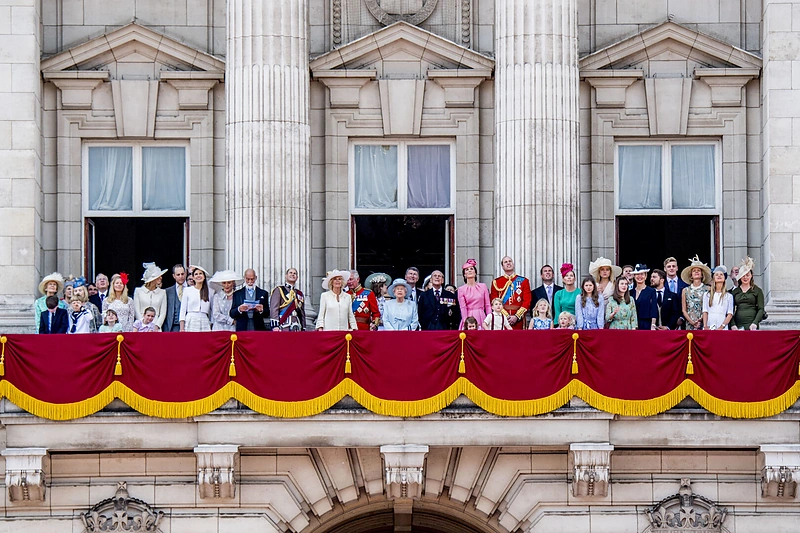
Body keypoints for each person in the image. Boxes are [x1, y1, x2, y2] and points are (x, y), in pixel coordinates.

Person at [490, 256, 532, 330]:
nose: (508, 263)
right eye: (505, 262)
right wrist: (506, 316)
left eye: (510, 261)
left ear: (513, 264)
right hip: (501, 319)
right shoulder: (496, 282)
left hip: (519, 320)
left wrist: (517, 316)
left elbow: (527, 301)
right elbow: (493, 301)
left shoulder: (524, 281)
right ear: (502, 266)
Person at [731, 257, 765, 330]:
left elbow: (761, 309)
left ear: (751, 276)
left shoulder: (757, 290)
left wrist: (755, 323)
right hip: (737, 325)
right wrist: (733, 324)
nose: (745, 278)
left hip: (752, 324)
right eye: (743, 275)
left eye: (747, 275)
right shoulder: (734, 292)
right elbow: (730, 310)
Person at [133, 262, 168, 331]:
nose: (161, 278)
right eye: (158, 277)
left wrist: (157, 326)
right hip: (141, 326)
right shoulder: (138, 291)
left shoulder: (162, 292)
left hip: (156, 326)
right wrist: (142, 324)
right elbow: (137, 310)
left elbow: (163, 312)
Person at [458, 259, 491, 329]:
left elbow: (488, 305)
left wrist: (490, 319)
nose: (469, 270)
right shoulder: (461, 289)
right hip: (468, 316)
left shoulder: (483, 286)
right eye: (467, 269)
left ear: (475, 273)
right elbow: (463, 308)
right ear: (464, 275)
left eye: (471, 269)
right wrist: (465, 322)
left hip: (481, 317)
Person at [270, 267, 306, 331]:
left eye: (294, 273)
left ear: (297, 277)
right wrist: (275, 325)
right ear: (286, 276)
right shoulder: (279, 290)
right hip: (284, 323)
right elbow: (274, 308)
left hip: (297, 324)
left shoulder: (299, 293)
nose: (292, 274)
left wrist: (303, 327)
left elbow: (302, 312)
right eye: (290, 273)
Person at [680, 255, 711, 331]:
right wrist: (692, 322)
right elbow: (684, 310)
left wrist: (700, 320)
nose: (696, 272)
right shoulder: (685, 290)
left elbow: (710, 307)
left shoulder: (708, 289)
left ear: (702, 274)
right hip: (689, 324)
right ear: (691, 275)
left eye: (698, 270)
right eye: (694, 271)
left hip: (705, 323)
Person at [179, 266, 212, 332]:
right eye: (196, 274)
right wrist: (182, 328)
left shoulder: (210, 291)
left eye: (200, 273)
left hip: (204, 321)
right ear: (193, 278)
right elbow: (182, 310)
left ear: (204, 276)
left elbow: (212, 310)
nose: (198, 276)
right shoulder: (187, 290)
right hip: (191, 320)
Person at [703, 266, 734, 330]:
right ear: (713, 278)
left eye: (721, 274)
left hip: (722, 325)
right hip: (709, 324)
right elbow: (705, 311)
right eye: (716, 274)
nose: (719, 276)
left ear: (724, 278)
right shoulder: (707, 295)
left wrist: (722, 326)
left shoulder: (729, 296)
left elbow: (730, 314)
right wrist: (705, 326)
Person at [631, 264, 658, 330]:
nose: (639, 276)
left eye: (642, 274)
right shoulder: (630, 292)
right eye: (637, 274)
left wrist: (653, 324)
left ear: (646, 276)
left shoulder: (651, 291)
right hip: (632, 324)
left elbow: (654, 309)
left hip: (646, 324)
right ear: (634, 276)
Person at [164, 265, 188, 332]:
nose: (181, 276)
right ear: (174, 276)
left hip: (188, 326)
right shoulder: (167, 292)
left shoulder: (191, 289)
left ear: (185, 274)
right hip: (172, 327)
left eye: (182, 274)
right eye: (178, 275)